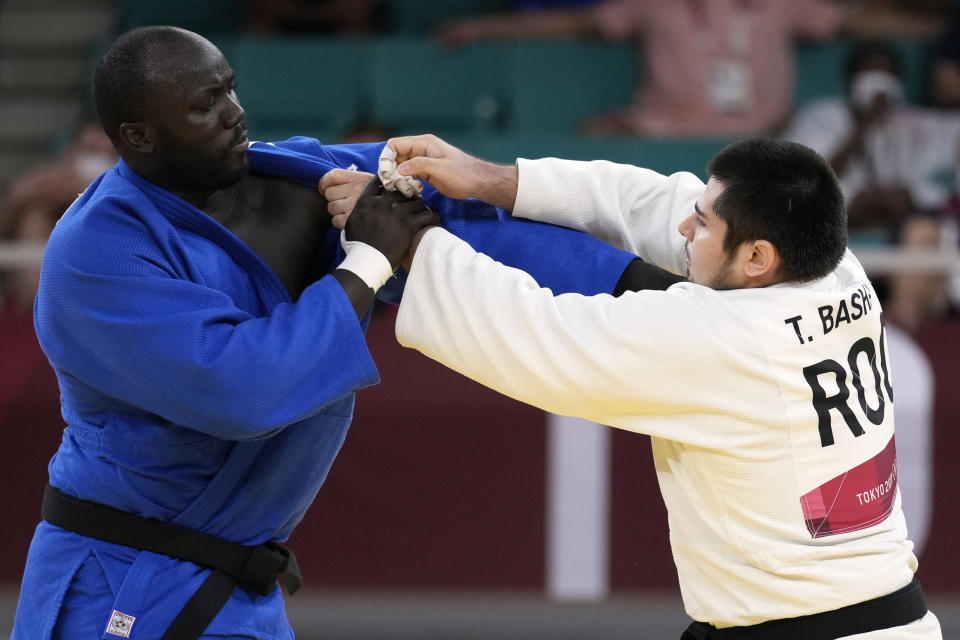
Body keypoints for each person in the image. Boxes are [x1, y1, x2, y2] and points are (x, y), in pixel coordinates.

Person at [12, 25, 681, 640]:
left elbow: (455, 206)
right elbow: (242, 390)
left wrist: (639, 288)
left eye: (230, 88)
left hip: (240, 582)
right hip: (117, 580)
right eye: (204, 104)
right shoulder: (95, 255)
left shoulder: (297, 176)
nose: (235, 112)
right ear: (138, 137)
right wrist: (369, 260)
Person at [375, 133, 942, 638]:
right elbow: (646, 200)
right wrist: (486, 178)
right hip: (881, 617)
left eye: (703, 224)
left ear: (756, 258)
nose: (683, 228)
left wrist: (410, 246)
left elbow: (540, 336)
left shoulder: (725, 339)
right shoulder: (840, 271)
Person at [439, 0, 945, 137]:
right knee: (585, 142)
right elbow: (579, 22)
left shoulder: (784, 3)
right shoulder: (655, 3)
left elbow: (854, 22)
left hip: (764, 138)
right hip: (657, 129)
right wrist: (486, 26)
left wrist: (940, 27)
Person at [782, 40, 960, 235]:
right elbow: (810, 181)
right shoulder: (821, 115)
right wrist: (864, 125)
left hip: (905, 217)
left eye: (888, 72)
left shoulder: (912, 121)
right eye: (870, 70)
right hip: (829, 211)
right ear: (852, 79)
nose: (879, 79)